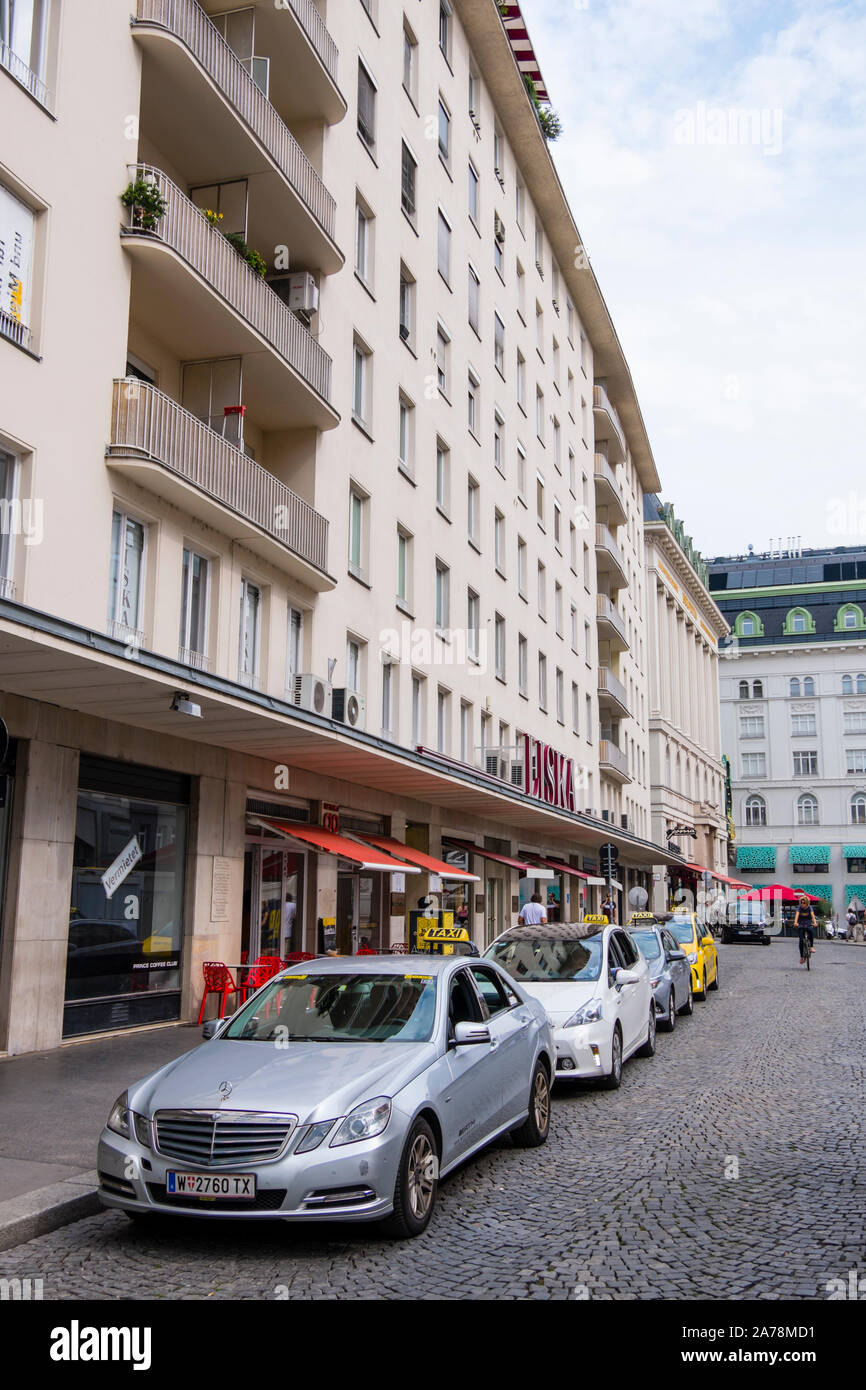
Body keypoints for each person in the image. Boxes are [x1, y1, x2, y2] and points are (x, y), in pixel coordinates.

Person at [795, 894, 816, 965]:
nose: (802, 904)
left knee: (811, 931)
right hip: (801, 924)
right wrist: (795, 922)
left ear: (807, 903)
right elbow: (797, 915)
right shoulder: (799, 908)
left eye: (804, 903)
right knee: (801, 940)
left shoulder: (810, 908)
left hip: (808, 923)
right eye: (801, 902)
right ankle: (801, 956)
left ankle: (811, 947)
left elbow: (813, 916)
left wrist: (815, 923)